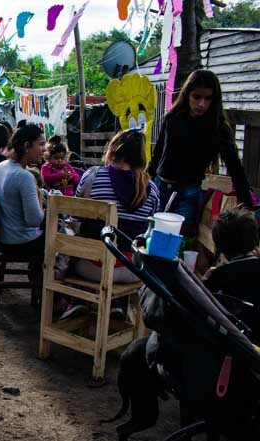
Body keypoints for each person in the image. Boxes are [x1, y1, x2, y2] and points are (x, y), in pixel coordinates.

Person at [148, 69, 253, 233]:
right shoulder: (173, 118)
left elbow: (235, 167)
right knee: (152, 236)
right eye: (197, 97)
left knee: (182, 241)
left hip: (188, 191)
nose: (201, 104)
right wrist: (147, 181)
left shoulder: (217, 129)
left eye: (208, 98)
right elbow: (158, 152)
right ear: (187, 95)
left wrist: (246, 202)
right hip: (160, 186)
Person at [74, 129, 160, 283]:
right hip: (133, 271)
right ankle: (119, 305)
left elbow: (75, 214)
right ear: (141, 157)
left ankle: (77, 301)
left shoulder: (92, 176)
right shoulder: (152, 190)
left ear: (112, 150)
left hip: (92, 267)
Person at [204, 208, 260, 343]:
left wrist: (204, 282)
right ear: (255, 240)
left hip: (234, 346)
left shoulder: (216, 277)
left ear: (219, 246)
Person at [0, 123, 46, 258]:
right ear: (27, 146)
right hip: (20, 242)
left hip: (1, 237)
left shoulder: (2, 166)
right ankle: (44, 279)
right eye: (41, 144)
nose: (44, 150)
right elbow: (34, 220)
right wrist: (40, 197)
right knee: (63, 237)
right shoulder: (24, 176)